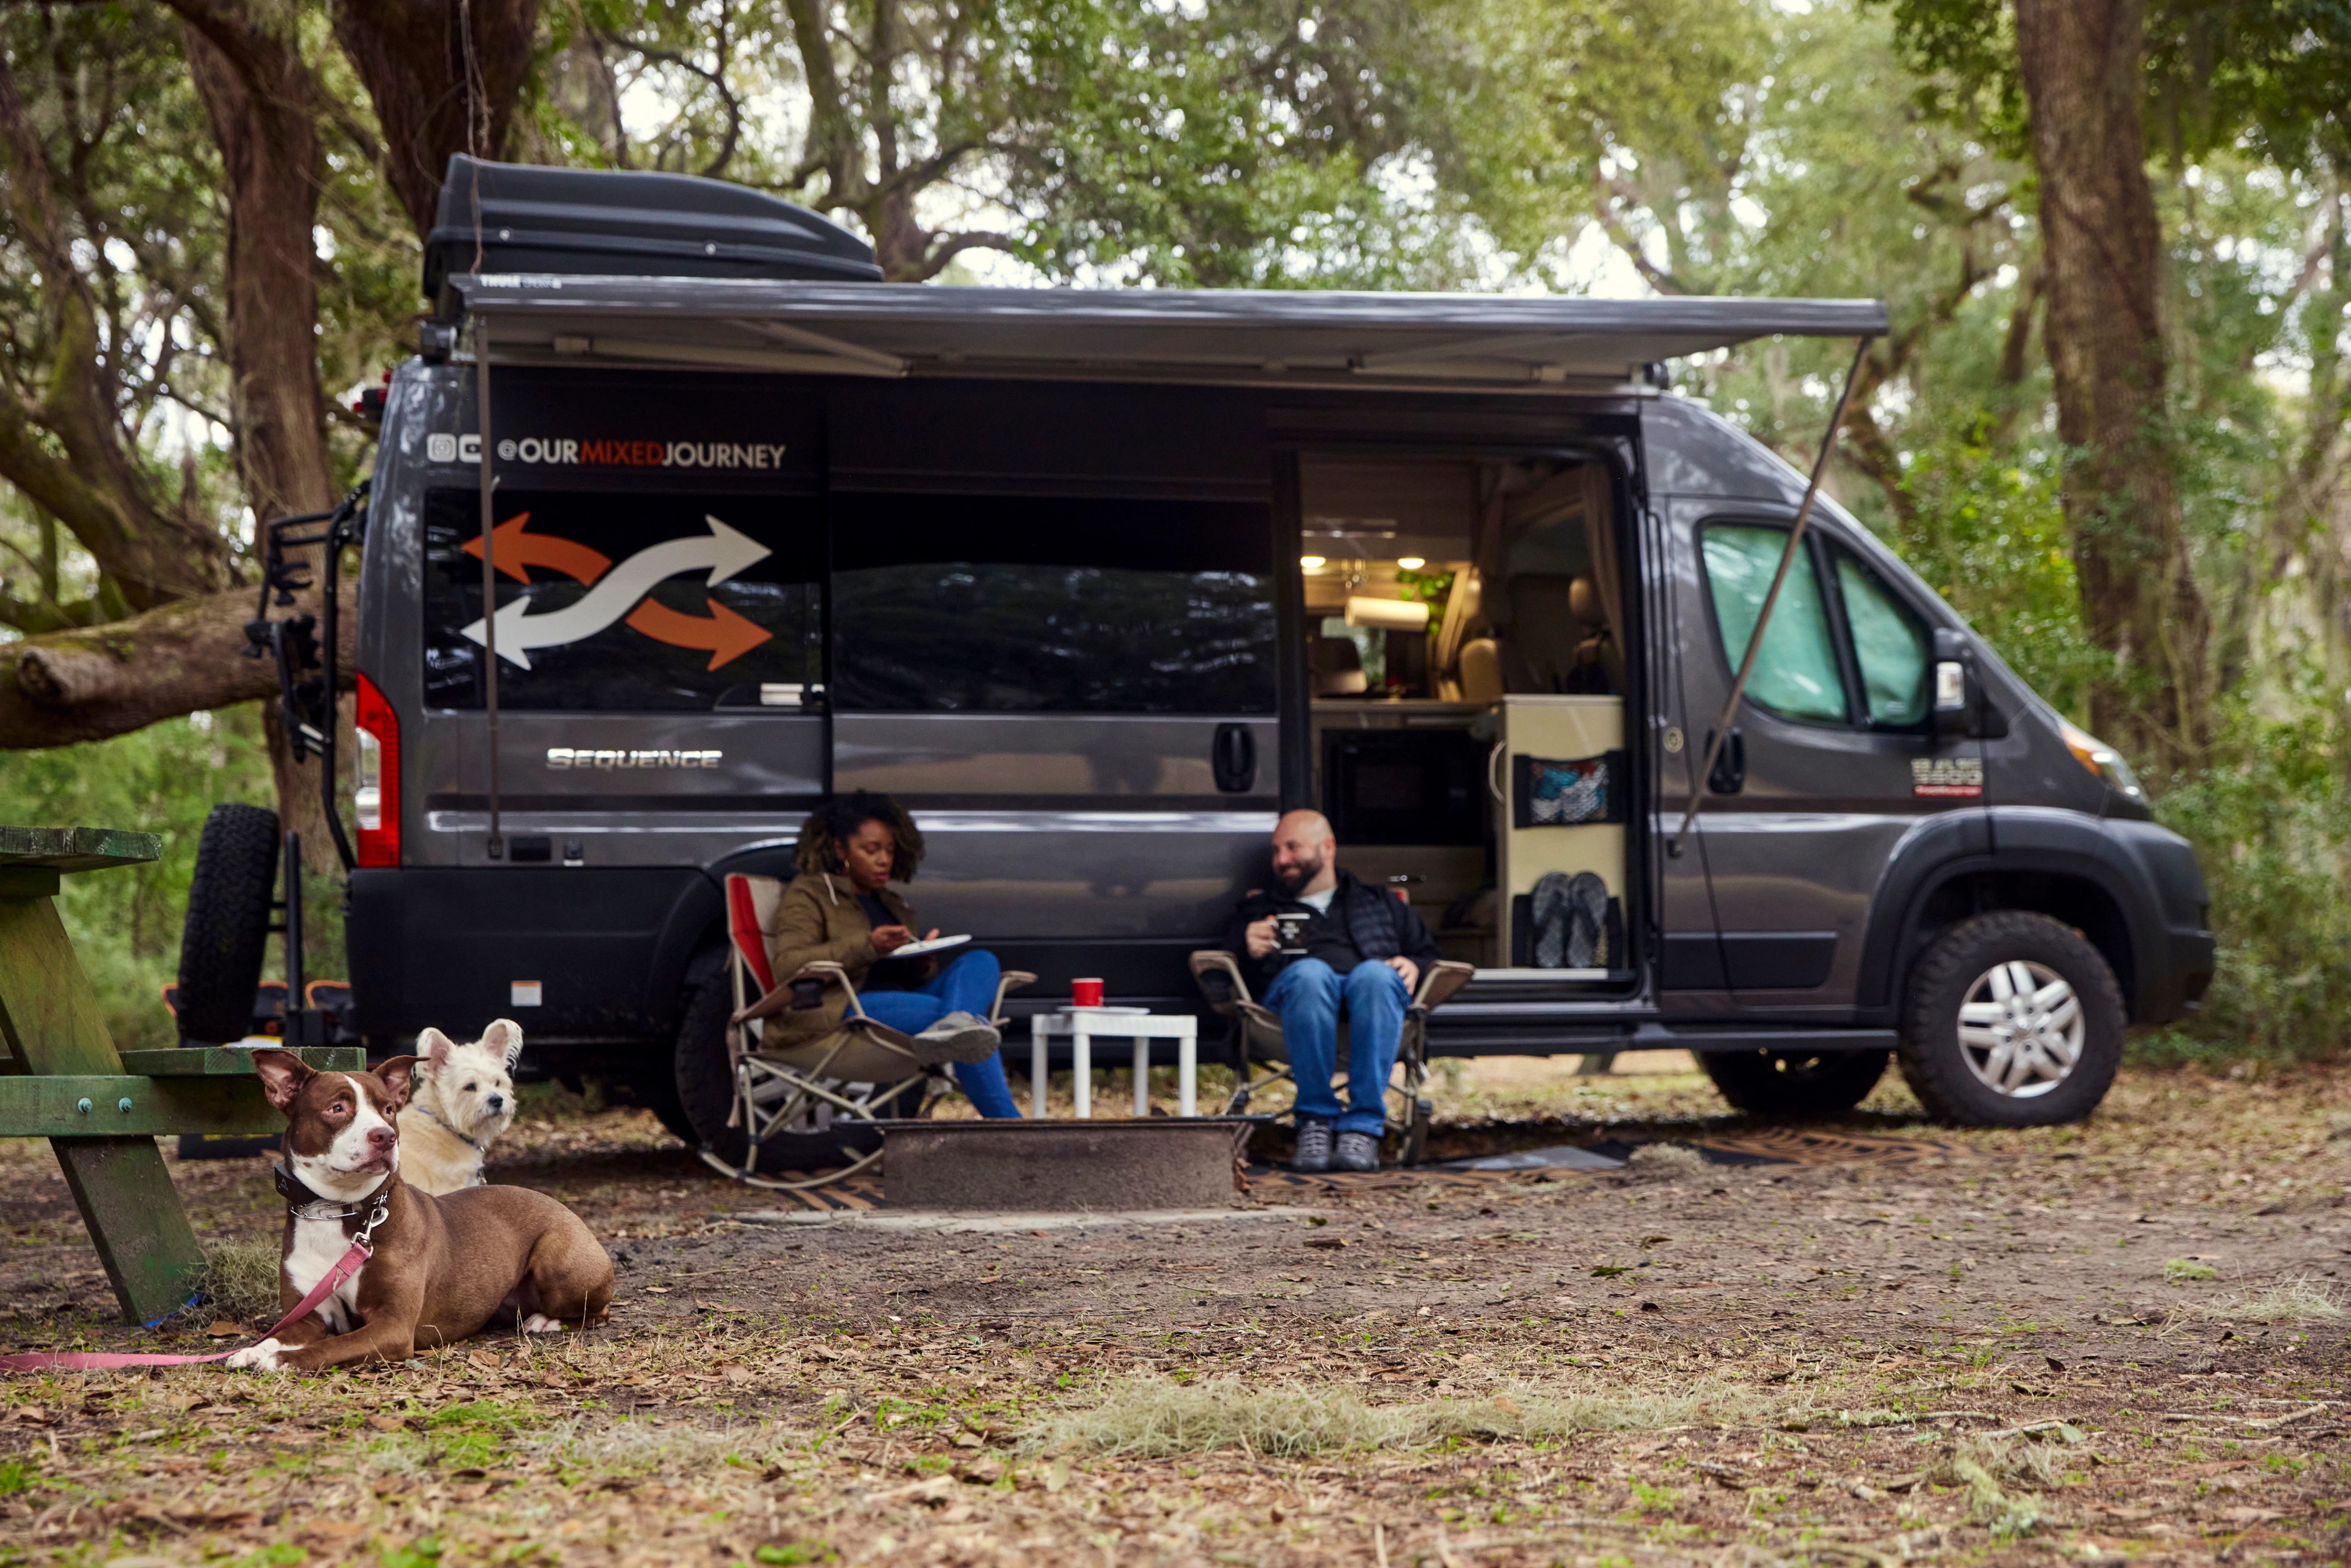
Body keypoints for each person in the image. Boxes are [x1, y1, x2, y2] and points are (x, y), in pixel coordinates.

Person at [768, 792, 1022, 1118]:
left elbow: (903, 975)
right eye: (871, 850)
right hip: (845, 1007)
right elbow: (790, 966)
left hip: (899, 1003)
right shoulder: (811, 893)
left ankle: (956, 1025)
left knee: (981, 960)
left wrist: (920, 961)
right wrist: (869, 944)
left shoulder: (893, 904)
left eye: (889, 849)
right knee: (968, 1025)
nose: (883, 859)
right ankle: (1012, 1129)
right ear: (840, 849)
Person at [1228, 809, 1441, 1173]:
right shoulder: (1262, 907)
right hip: (1289, 1010)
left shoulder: (1379, 901)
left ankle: (1363, 1126)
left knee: (1375, 974)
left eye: (1293, 848)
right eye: (1277, 850)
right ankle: (1316, 1120)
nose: (1281, 859)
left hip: (1373, 1000)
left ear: (1327, 848)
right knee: (1312, 974)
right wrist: (1244, 942)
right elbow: (1223, 962)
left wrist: (1414, 966)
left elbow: (1429, 956)